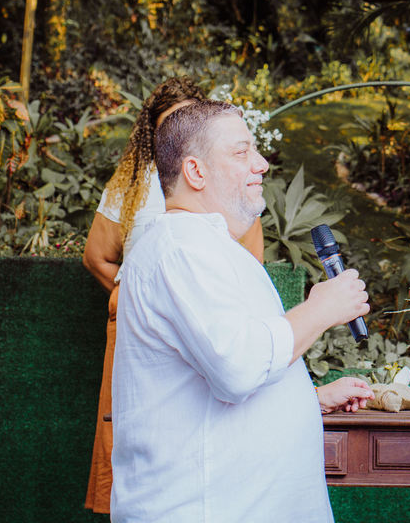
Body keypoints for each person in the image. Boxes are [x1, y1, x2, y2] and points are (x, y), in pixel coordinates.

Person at [110, 100, 372, 523]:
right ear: (196, 172)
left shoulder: (210, 247)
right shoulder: (181, 249)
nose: (262, 164)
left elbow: (216, 370)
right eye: (241, 152)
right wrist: (322, 308)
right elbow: (238, 366)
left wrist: (307, 399)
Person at [82, 77, 265, 514]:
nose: (176, 130)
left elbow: (250, 262)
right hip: (141, 329)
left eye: (186, 119)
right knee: (132, 427)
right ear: (152, 131)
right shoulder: (130, 182)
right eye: (167, 123)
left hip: (210, 322)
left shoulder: (223, 183)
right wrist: (139, 298)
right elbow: (96, 257)